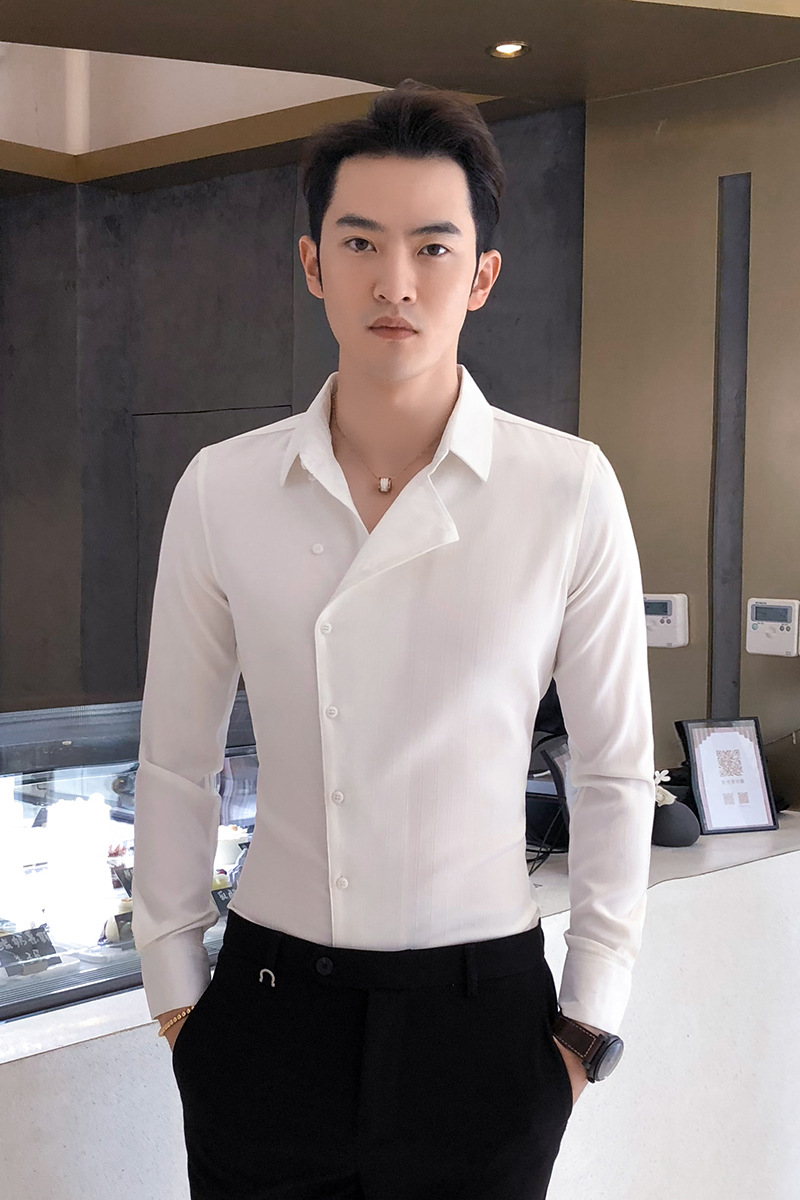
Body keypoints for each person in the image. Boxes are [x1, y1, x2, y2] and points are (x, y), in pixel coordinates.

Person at [132, 79, 655, 1200]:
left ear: (483, 276)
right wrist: (177, 997)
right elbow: (176, 759)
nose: (396, 281)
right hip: (267, 1016)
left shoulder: (565, 488)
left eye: (432, 247)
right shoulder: (224, 488)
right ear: (313, 264)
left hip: (485, 1026)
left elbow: (614, 770)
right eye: (361, 242)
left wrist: (585, 1026)